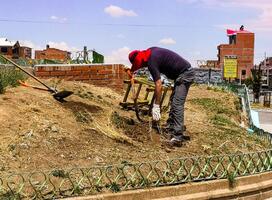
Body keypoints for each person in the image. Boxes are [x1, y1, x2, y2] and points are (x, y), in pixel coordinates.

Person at [127, 47, 195, 147]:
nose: (141, 66)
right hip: (181, 74)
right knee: (174, 101)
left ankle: (178, 137)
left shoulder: (151, 61)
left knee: (177, 104)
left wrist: (156, 106)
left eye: (140, 65)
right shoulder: (151, 52)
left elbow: (158, 85)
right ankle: (171, 126)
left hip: (185, 74)